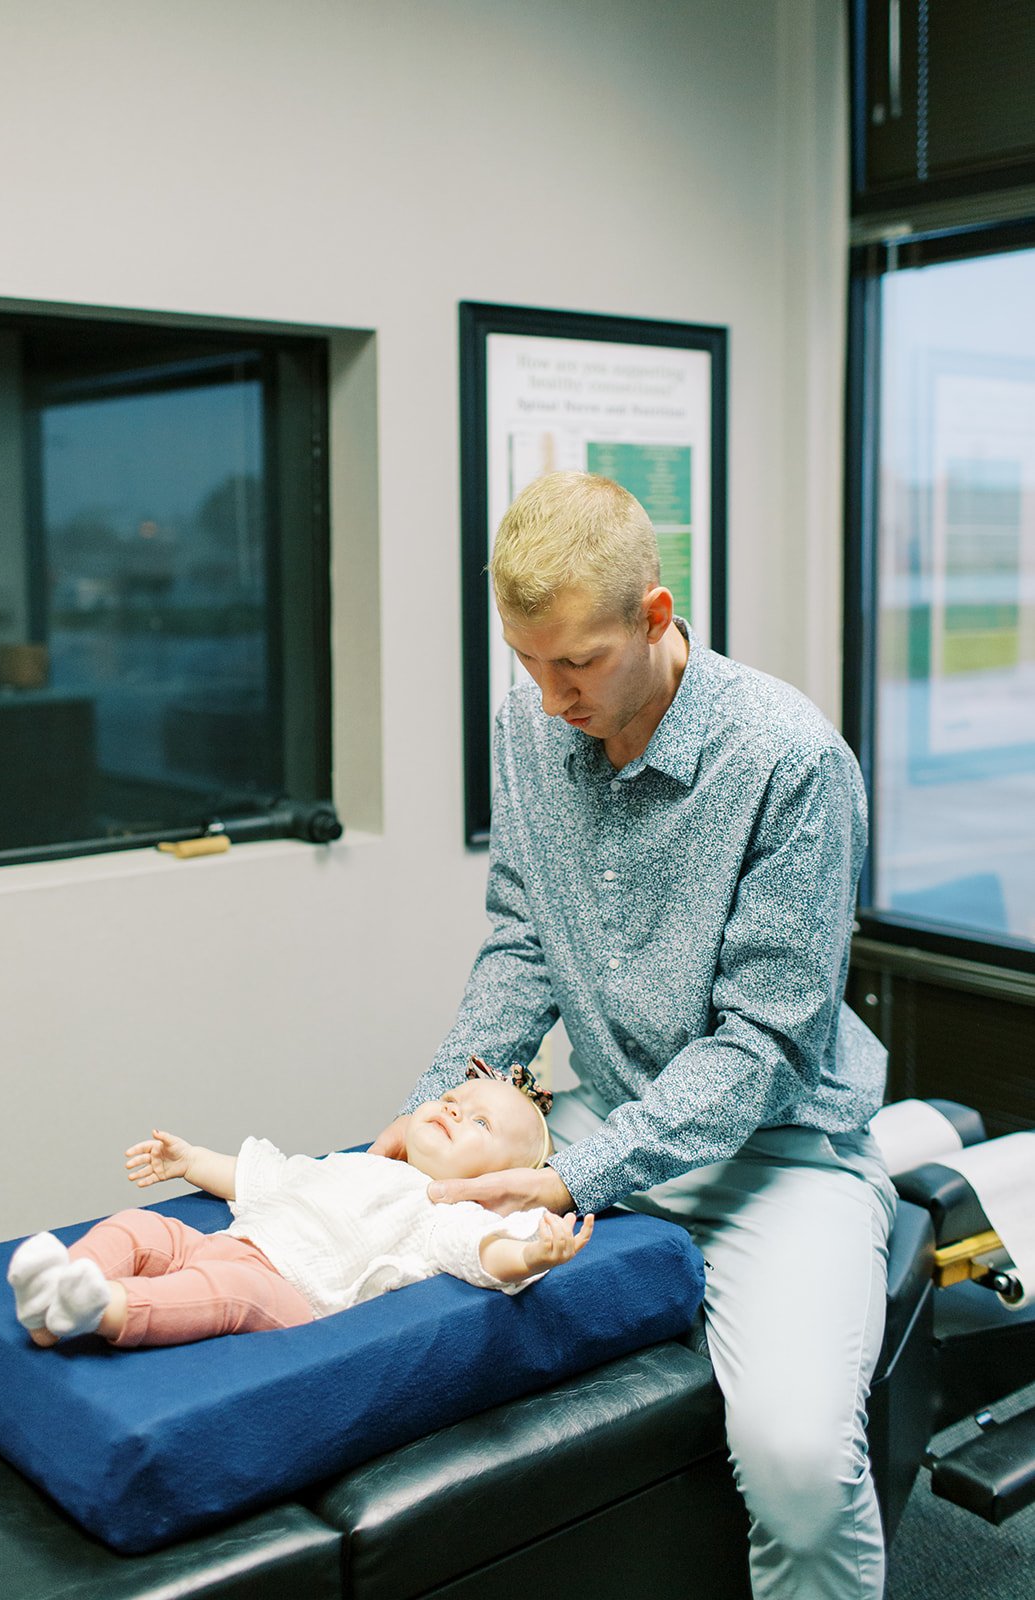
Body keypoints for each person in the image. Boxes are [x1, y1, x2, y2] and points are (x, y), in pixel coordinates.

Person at [371, 471, 897, 1600]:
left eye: (576, 663)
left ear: (655, 619)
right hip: (599, 1114)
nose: (550, 693)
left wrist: (572, 1174)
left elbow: (761, 1045)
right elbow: (521, 939)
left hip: (772, 1154)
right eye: (526, 661)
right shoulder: (533, 719)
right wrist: (431, 1104)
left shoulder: (787, 761)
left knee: (799, 1467)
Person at [7, 1059, 593, 1350]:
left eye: (479, 1122)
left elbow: (486, 1254)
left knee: (217, 1297)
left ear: (503, 1179)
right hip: (229, 1244)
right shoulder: (358, 1161)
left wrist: (534, 1252)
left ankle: (99, 1307)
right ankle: (61, 1283)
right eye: (452, 1098)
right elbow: (266, 1177)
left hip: (289, 1294)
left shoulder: (446, 1210)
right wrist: (191, 1161)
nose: (453, 1109)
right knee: (140, 1226)